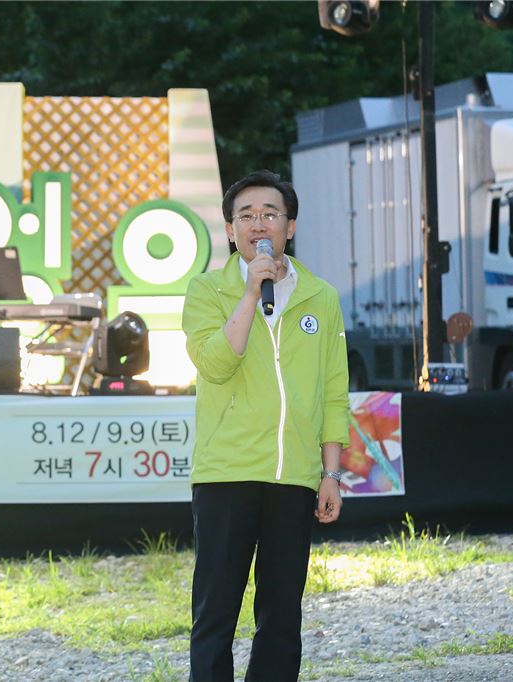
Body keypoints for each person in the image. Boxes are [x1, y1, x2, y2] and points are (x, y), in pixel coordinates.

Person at [182, 170, 349, 681]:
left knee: (281, 616)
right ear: (230, 230)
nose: (259, 224)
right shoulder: (207, 290)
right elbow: (215, 364)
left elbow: (333, 391)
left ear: (290, 227)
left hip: (293, 476)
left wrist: (330, 474)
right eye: (247, 216)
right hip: (226, 473)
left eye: (270, 214)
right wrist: (250, 293)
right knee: (215, 612)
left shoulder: (321, 296)